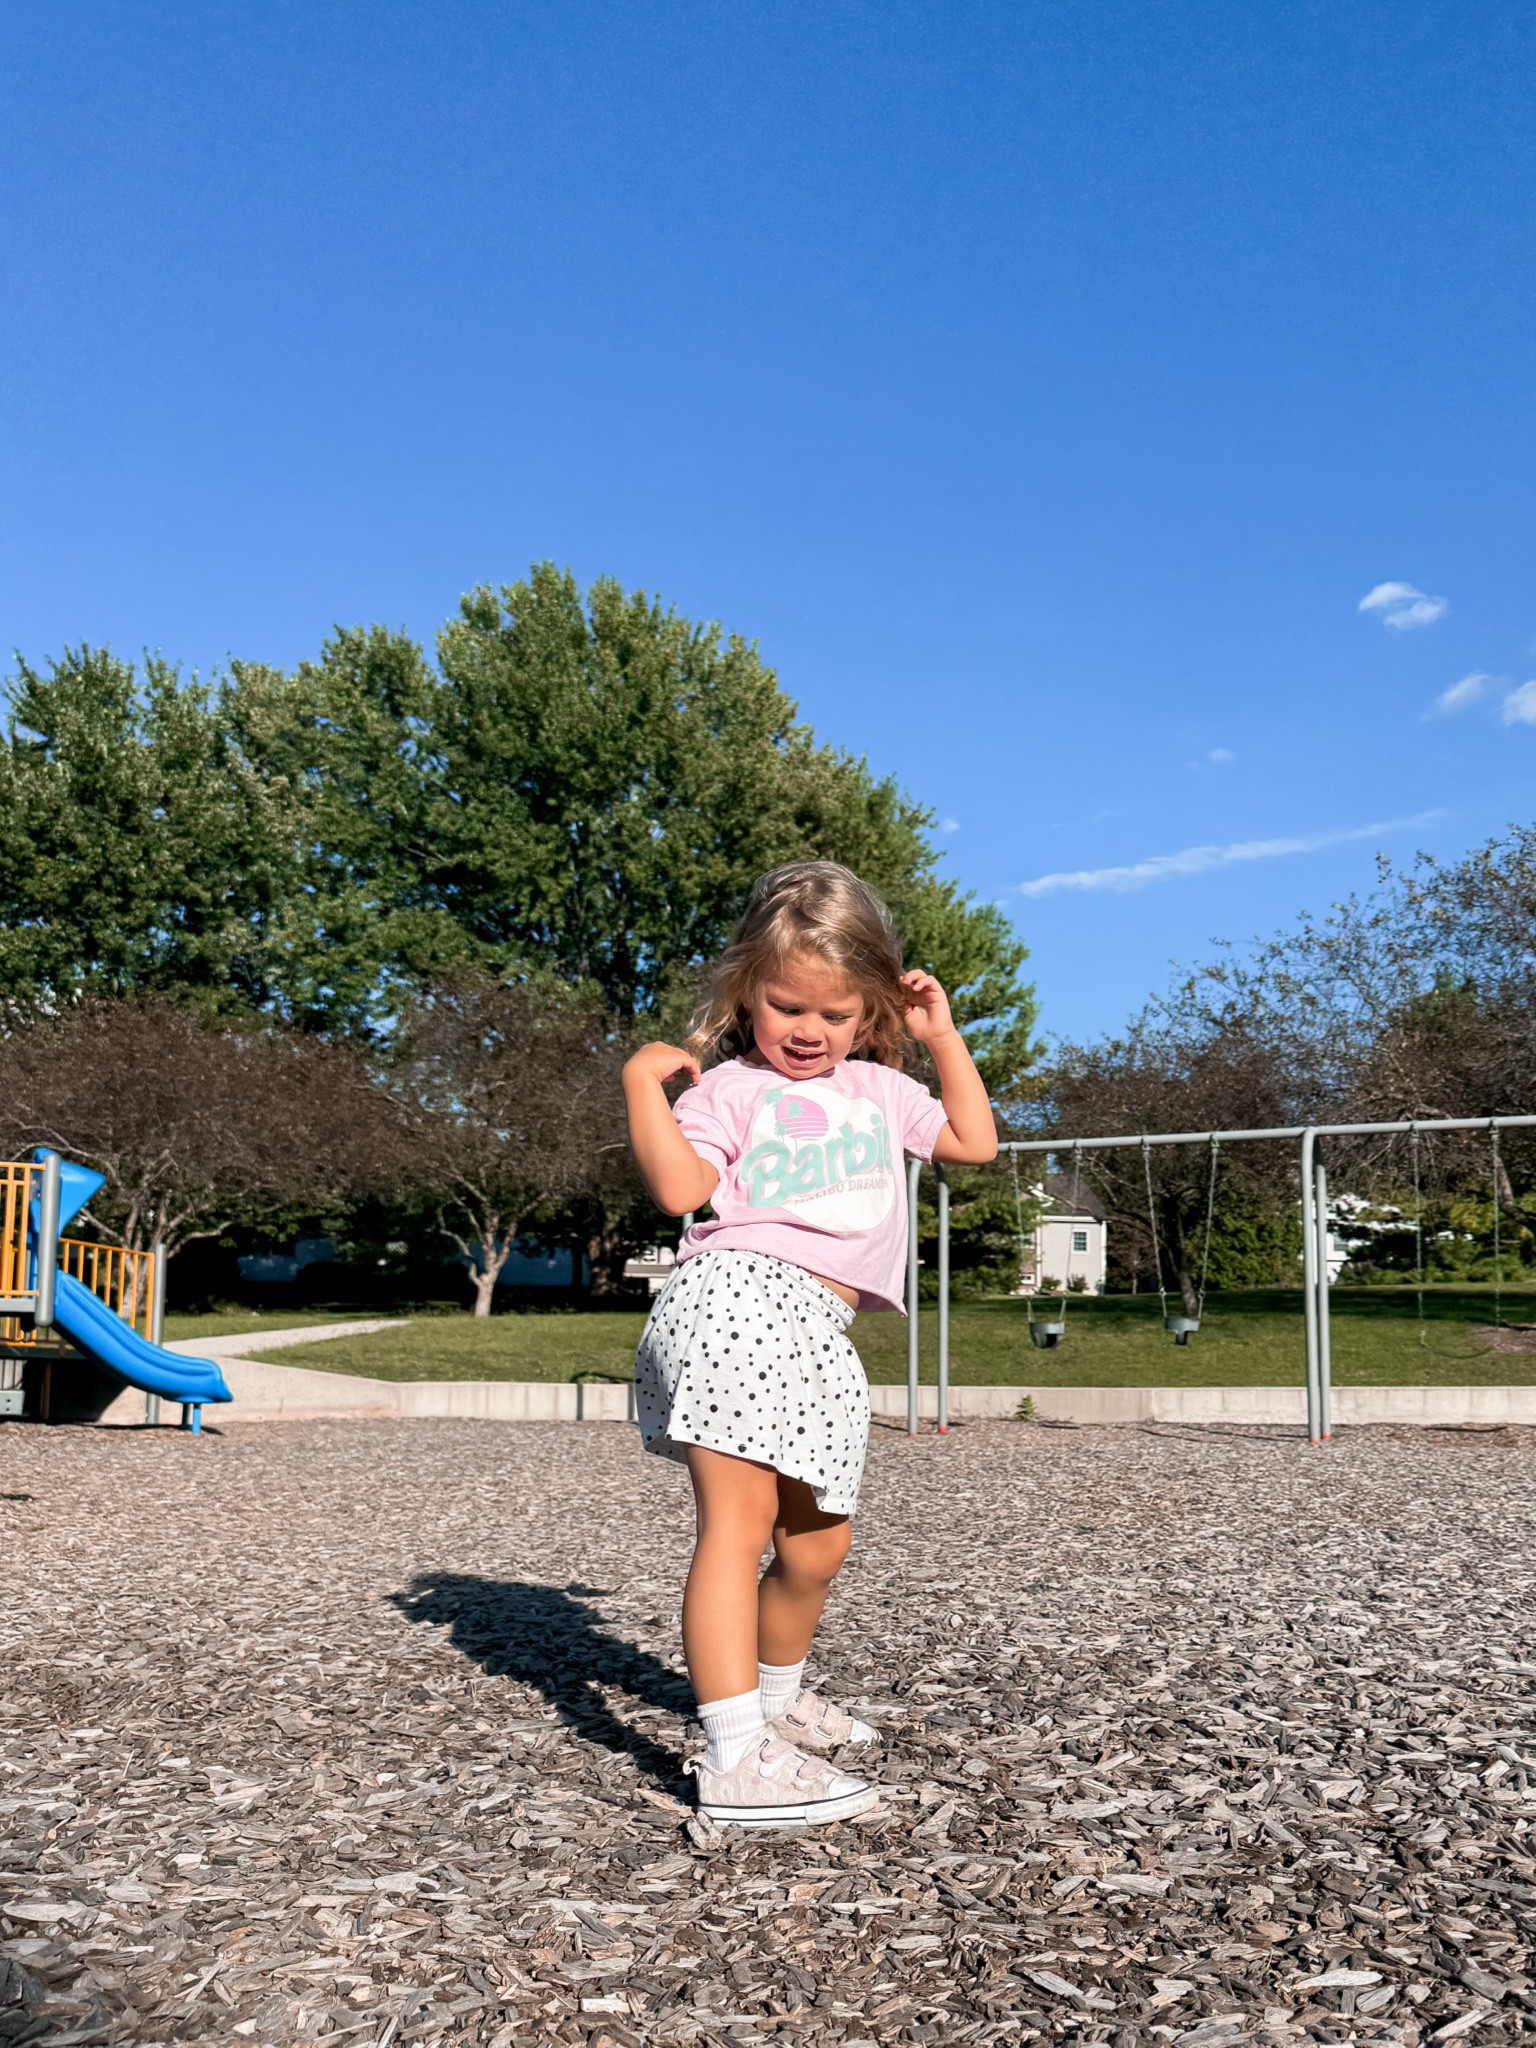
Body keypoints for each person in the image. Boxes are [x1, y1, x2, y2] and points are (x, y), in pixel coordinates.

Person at [622, 860, 998, 1828]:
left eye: (833, 1014)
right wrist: (641, 1087)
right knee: (737, 1526)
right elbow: (677, 1191)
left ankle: (777, 1705)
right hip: (736, 1300)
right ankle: (736, 1753)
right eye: (786, 1003)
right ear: (747, 990)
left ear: (867, 1011)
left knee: (817, 1541)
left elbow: (974, 1141)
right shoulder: (732, 1088)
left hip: (818, 1328)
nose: (806, 1029)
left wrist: (942, 1036)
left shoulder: (877, 1089)